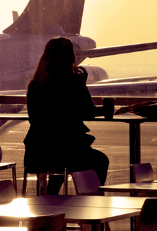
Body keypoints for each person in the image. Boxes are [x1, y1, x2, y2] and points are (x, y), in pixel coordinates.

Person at [23, 37, 110, 194]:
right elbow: (89, 112)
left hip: (37, 152)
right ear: (71, 57)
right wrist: (106, 108)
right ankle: (91, 200)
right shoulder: (74, 81)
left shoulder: (35, 84)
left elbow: (33, 118)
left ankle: (50, 200)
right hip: (66, 151)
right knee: (99, 160)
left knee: (60, 164)